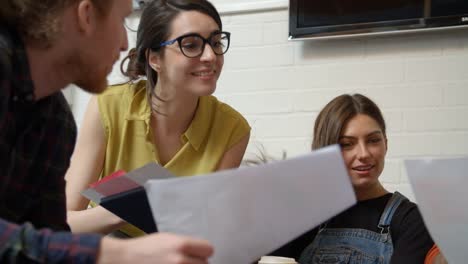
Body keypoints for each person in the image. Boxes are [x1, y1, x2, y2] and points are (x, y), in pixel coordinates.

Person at [0, 0, 213, 262]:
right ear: (86, 15)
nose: (125, 45)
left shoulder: (56, 119)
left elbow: (48, 235)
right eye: (123, 21)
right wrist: (113, 252)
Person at [65, 0, 250, 237]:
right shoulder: (107, 106)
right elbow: (65, 222)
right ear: (154, 59)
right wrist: (130, 205)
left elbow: (208, 234)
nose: (210, 56)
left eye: (215, 43)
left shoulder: (233, 129)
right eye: (191, 45)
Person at [272, 94, 434, 263]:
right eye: (347, 144)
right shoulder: (305, 217)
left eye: (373, 140)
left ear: (385, 143)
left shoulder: (412, 220)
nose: (364, 154)